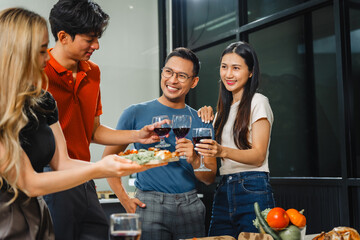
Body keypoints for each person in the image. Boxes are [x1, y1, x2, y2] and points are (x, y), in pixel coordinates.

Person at [0, 7, 165, 240]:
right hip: (23, 207)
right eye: (39, 51)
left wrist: (129, 148)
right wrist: (102, 167)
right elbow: (30, 182)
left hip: (62, 190)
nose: (46, 57)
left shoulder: (46, 99)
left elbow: (67, 157)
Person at [102, 47, 218, 240]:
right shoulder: (134, 113)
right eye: (168, 72)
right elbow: (108, 160)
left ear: (194, 82)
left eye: (182, 76)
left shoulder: (200, 120)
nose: (172, 80)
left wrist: (195, 159)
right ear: (162, 72)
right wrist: (125, 199)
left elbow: (208, 178)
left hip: (190, 205)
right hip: (149, 204)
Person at [196, 41, 275, 238]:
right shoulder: (223, 110)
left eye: (236, 68)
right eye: (224, 67)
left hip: (253, 187)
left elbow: (258, 156)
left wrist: (221, 151)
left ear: (250, 72)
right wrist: (206, 119)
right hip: (223, 188)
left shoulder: (258, 102)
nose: (228, 74)